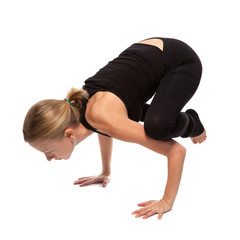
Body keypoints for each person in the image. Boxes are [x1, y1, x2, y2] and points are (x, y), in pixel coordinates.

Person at [23, 37, 207, 220]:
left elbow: (176, 151)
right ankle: (166, 117)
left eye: (47, 151)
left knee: (157, 127)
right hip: (150, 48)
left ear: (69, 134)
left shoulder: (104, 118)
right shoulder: (79, 109)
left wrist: (166, 201)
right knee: (128, 116)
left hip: (180, 60)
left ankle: (192, 123)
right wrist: (105, 172)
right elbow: (103, 129)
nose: (48, 158)